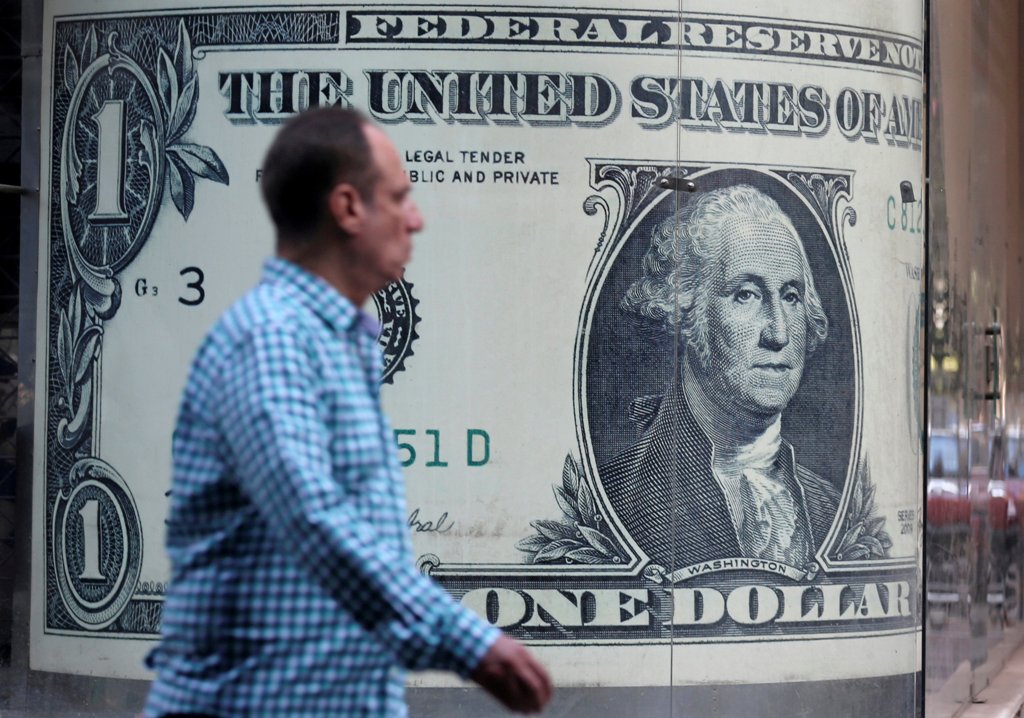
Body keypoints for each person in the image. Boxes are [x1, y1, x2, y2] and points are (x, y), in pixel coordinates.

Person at [144, 107, 552, 718]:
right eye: (398, 197)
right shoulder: (272, 338)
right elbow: (313, 518)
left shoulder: (335, 340)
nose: (415, 218)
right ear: (347, 208)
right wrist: (473, 644)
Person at [600, 184, 840, 571]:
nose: (779, 333)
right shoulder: (615, 500)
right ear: (684, 311)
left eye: (791, 297)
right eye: (746, 295)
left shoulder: (829, 504)